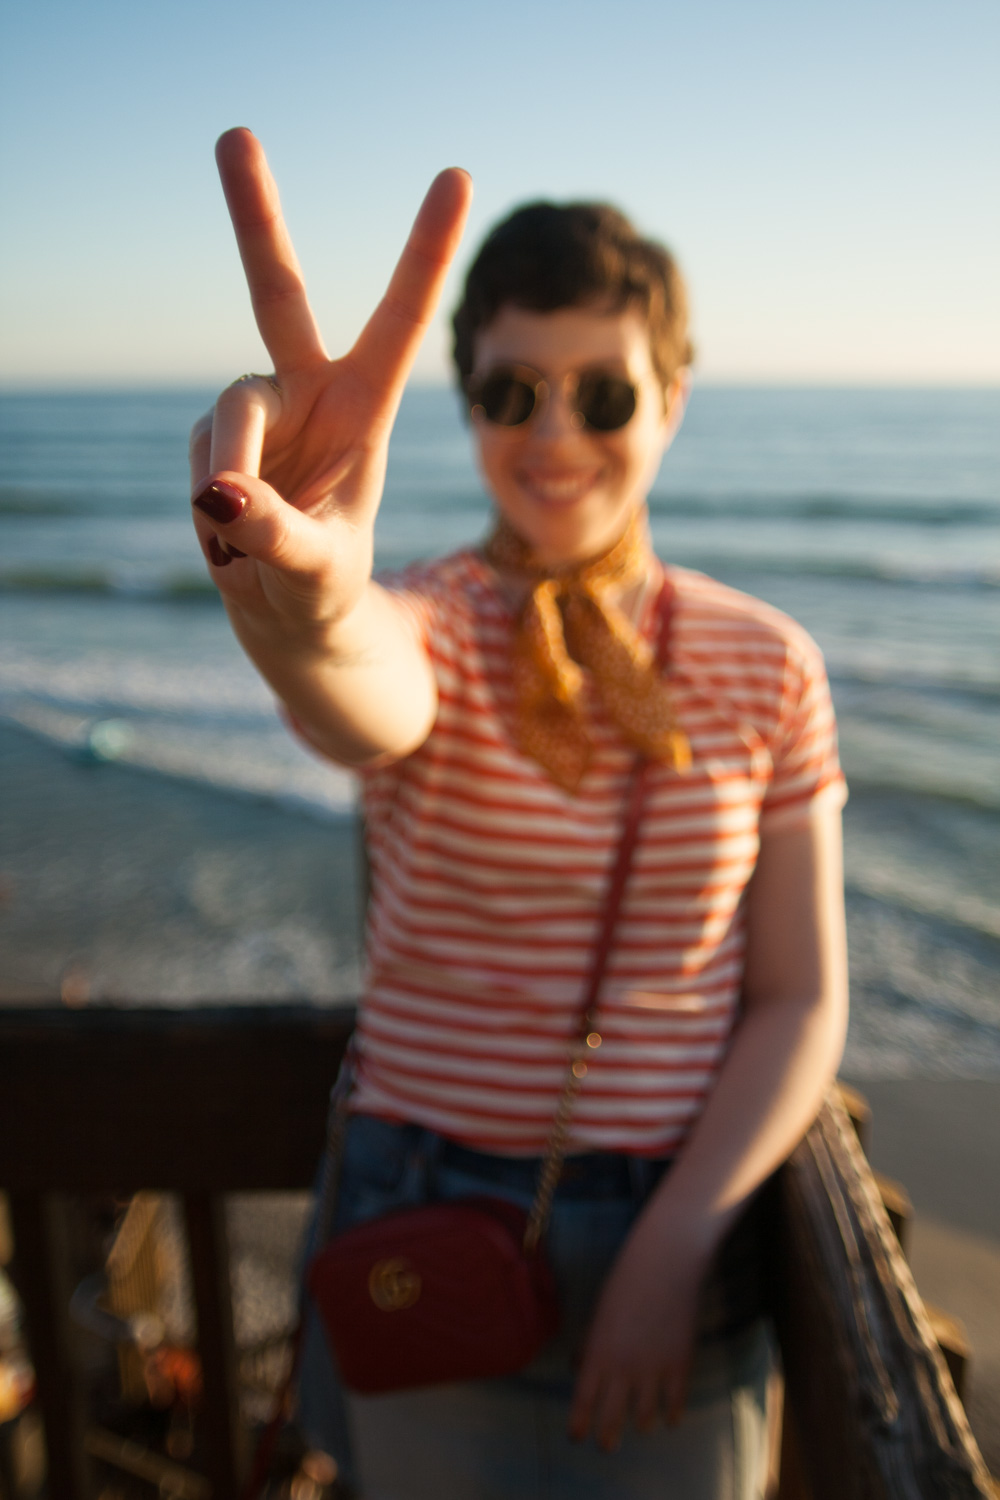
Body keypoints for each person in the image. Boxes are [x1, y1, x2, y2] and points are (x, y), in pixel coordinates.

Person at [190, 127, 849, 1499]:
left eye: (603, 395)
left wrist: (673, 1246)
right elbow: (366, 686)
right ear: (467, 401)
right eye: (512, 392)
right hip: (419, 1217)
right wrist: (299, 611)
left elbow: (798, 997)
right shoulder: (430, 616)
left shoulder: (768, 662)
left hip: (678, 1229)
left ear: (672, 399)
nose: (555, 438)